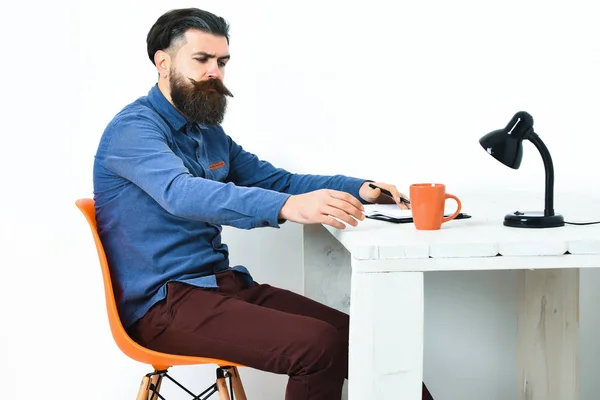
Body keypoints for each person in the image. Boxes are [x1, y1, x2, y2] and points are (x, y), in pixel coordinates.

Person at [93, 7, 434, 400]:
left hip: (220, 286)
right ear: (163, 62)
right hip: (164, 305)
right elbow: (181, 193)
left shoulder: (209, 132)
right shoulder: (133, 130)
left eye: (222, 62)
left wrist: (359, 187)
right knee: (317, 345)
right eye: (201, 60)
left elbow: (278, 180)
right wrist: (287, 207)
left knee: (367, 340)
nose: (214, 73)